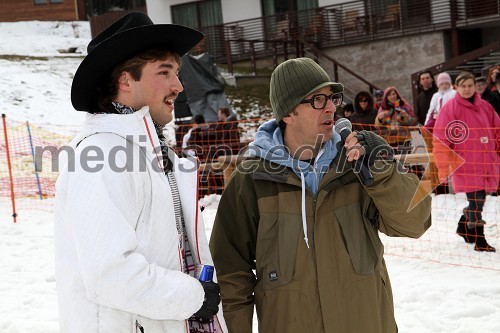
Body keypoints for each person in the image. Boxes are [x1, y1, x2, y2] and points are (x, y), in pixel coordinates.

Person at [210, 57, 432, 333]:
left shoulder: (357, 162)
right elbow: (231, 271)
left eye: (331, 98)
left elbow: (415, 223)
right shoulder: (251, 178)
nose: (330, 107)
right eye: (317, 100)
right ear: (288, 113)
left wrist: (382, 171)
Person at [54, 12, 227, 332]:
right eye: (165, 72)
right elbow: (110, 275)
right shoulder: (100, 156)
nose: (179, 86)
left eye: (177, 72)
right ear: (125, 80)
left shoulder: (157, 157)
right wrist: (193, 297)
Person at [433, 71, 499, 252]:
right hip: (465, 164)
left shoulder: (485, 106)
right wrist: (443, 167)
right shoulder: (450, 108)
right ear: (456, 87)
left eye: (470, 85)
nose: (467, 89)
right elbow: (441, 140)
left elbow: (497, 130)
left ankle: (463, 227)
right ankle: (480, 241)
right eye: (463, 86)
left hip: (486, 162)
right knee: (476, 202)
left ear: (475, 86)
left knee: (479, 201)